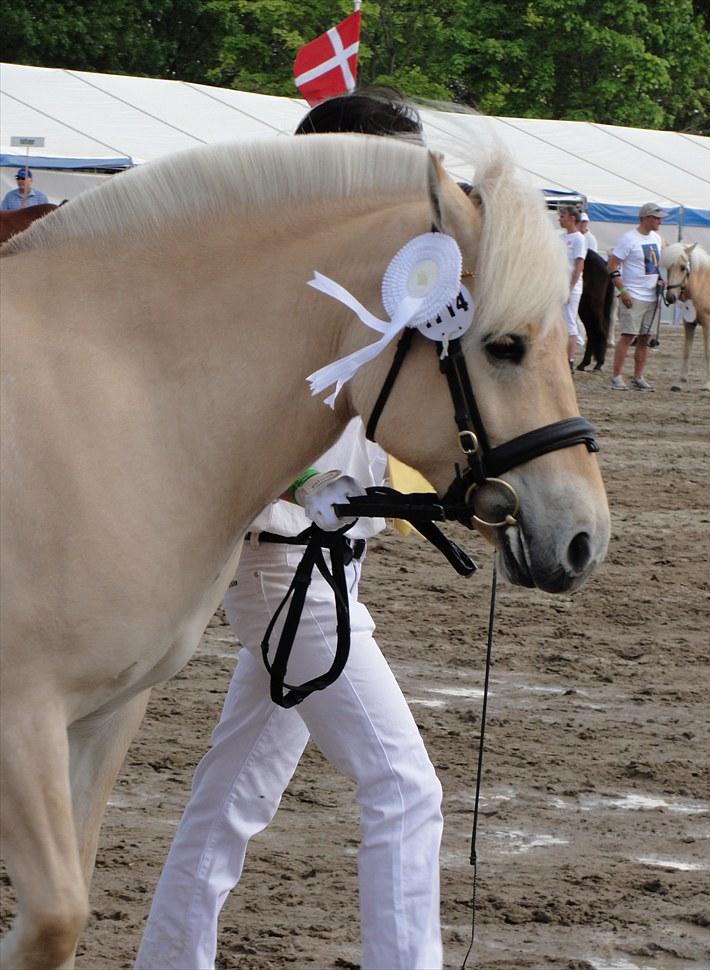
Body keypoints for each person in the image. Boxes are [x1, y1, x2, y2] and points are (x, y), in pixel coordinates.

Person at [134, 90, 444, 970]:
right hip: (288, 564)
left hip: (322, 561)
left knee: (232, 797)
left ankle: (168, 960)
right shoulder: (272, 278)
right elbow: (225, 411)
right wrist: (307, 478)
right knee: (402, 788)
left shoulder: (359, 272)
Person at [607, 202, 667, 390]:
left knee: (644, 337)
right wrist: (622, 291)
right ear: (645, 218)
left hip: (651, 296)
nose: (659, 221)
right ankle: (616, 376)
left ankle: (638, 377)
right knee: (628, 335)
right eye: (656, 218)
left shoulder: (657, 239)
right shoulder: (628, 239)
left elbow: (655, 266)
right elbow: (613, 265)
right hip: (633, 294)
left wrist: (659, 279)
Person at [558, 204, 587, 369]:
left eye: (563, 216)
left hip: (571, 286)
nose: (560, 219)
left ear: (572, 219)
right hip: (559, 284)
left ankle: (569, 359)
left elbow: (578, 265)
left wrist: (570, 287)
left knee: (569, 321)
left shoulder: (578, 238)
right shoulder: (561, 237)